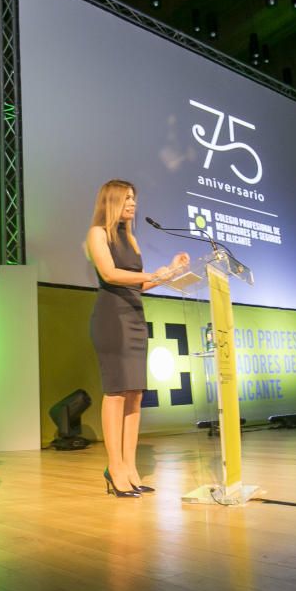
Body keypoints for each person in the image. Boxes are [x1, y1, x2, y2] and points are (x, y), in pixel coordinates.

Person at [86, 180, 189, 498]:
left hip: (134, 317)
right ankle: (114, 467)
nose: (133, 203)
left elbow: (139, 285)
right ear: (112, 201)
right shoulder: (97, 234)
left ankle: (130, 467)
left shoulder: (131, 238)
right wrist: (152, 275)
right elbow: (111, 275)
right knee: (116, 393)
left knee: (135, 394)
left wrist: (169, 272)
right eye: (127, 198)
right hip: (111, 319)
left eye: (135, 198)